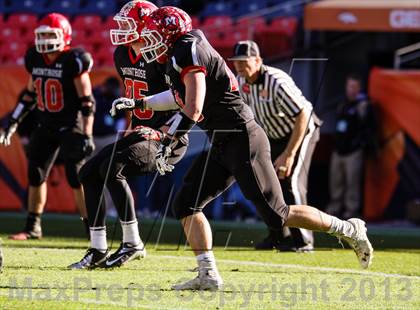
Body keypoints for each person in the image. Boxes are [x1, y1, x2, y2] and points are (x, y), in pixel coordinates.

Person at [115, 6, 373, 291]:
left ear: (170, 34)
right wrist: (141, 103)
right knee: (186, 202)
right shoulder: (178, 53)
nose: (149, 41)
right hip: (223, 139)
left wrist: (170, 138)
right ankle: (208, 274)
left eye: (154, 35)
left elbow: (194, 106)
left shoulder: (187, 49)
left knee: (277, 214)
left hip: (242, 138)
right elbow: (180, 98)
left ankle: (349, 229)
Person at [68, 0, 188, 270]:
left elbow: (184, 101)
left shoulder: (162, 56)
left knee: (113, 167)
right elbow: (135, 96)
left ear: (145, 26)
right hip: (139, 132)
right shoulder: (122, 55)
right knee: (87, 172)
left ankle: (132, 242)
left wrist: (163, 133)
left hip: (168, 136)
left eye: (127, 24)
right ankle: (97, 248)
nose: (122, 29)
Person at [0, 13, 95, 240]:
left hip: (72, 124)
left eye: (50, 34)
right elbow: (29, 95)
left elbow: (87, 101)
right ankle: (33, 227)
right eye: (41, 35)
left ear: (65, 35)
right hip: (46, 123)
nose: (45, 39)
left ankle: (93, 229)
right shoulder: (35, 57)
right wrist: (13, 121)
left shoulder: (74, 59)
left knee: (76, 176)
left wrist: (87, 133)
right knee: (36, 174)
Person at [229, 40, 321, 252]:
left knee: (290, 182)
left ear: (258, 60)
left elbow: (303, 115)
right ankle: (279, 236)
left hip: (301, 130)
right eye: (236, 62)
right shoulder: (239, 81)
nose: (240, 66)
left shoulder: (275, 81)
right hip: (271, 135)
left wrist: (289, 154)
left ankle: (304, 240)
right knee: (264, 184)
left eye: (244, 61)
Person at [325, 74, 372, 219]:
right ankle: (334, 208)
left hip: (354, 151)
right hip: (339, 150)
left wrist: (360, 145)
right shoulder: (342, 103)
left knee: (352, 183)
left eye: (354, 86)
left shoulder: (364, 105)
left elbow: (369, 128)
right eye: (349, 86)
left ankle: (351, 211)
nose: (351, 90)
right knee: (336, 181)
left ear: (360, 88)